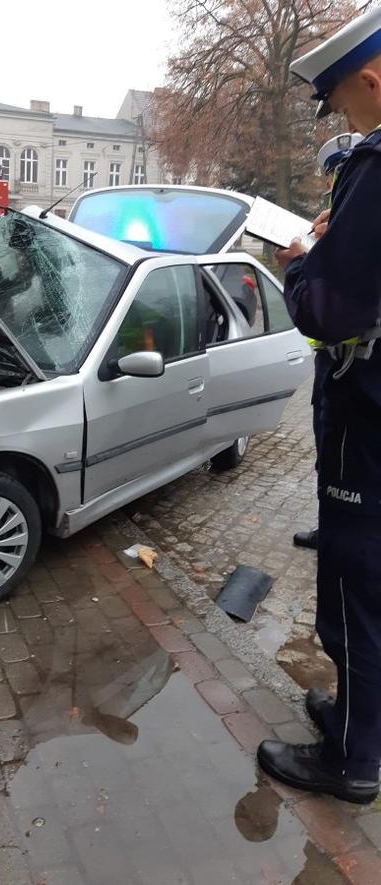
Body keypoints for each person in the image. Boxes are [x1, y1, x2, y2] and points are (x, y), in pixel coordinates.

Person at [257, 6, 381, 805]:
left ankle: (353, 758)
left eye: (338, 99)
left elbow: (331, 311)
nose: (338, 113)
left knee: (354, 583)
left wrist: (300, 263)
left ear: (370, 78)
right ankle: (353, 715)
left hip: (367, 422)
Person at [293, 132, 363, 551]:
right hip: (333, 362)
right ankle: (332, 525)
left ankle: (343, 532)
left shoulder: (354, 221)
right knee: (330, 448)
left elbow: (329, 296)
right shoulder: (337, 218)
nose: (335, 183)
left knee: (347, 452)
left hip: (354, 360)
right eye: (333, 176)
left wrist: (309, 255)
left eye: (338, 174)